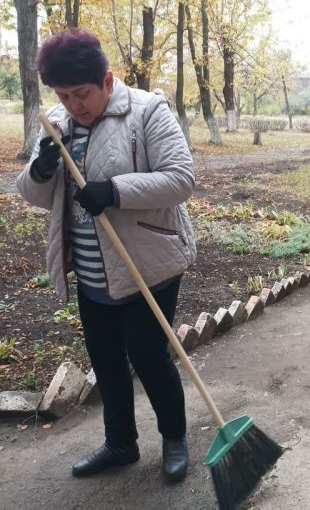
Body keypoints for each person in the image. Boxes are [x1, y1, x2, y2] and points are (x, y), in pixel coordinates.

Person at [17, 28, 197, 482]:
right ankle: (120, 444)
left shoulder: (147, 111)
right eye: (63, 95)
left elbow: (181, 179)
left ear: (108, 80)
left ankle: (174, 439)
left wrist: (115, 191)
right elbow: (35, 195)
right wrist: (41, 170)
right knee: (105, 360)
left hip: (148, 263)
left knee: (149, 354)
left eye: (82, 93)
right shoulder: (58, 124)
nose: (74, 104)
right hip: (93, 271)